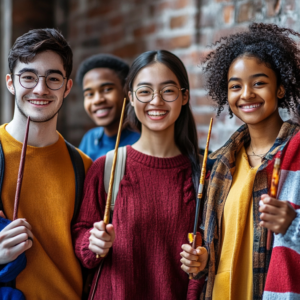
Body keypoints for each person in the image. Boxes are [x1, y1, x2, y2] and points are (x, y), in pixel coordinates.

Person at [181, 23, 300, 300]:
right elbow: (216, 245)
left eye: (259, 83)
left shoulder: (297, 153)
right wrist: (200, 262)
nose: (246, 94)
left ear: (280, 88)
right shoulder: (220, 162)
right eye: (236, 86)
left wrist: (293, 224)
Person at [72, 50, 201, 299]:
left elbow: (210, 255)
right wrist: (92, 242)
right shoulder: (106, 166)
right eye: (144, 91)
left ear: (184, 96)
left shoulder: (202, 174)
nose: (156, 101)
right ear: (130, 97)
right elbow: (81, 233)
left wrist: (201, 265)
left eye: (168, 91)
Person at [0, 29, 92, 299]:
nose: (40, 88)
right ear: (10, 83)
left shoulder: (83, 166)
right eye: (28, 77)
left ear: (67, 87)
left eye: (53, 78)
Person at [76, 54, 140, 160]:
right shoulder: (90, 139)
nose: (97, 100)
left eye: (107, 89)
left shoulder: (141, 141)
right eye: (89, 94)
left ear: (127, 92)